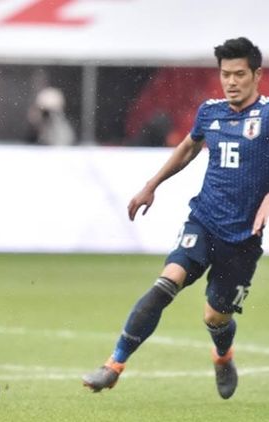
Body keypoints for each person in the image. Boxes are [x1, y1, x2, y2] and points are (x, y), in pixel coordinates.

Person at [83, 37, 268, 400]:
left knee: (215, 317)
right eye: (225, 74)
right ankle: (113, 365)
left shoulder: (267, 116)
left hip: (242, 239)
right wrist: (151, 185)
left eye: (239, 74)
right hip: (204, 221)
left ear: (256, 75)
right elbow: (188, 148)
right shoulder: (210, 112)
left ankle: (222, 355)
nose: (231, 82)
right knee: (165, 283)